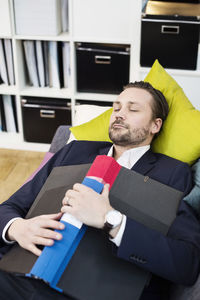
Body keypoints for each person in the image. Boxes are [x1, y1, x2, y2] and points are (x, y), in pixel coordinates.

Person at [0, 81, 199, 300]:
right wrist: (16, 227)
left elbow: (186, 262)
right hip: (22, 272)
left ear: (155, 125)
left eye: (133, 109)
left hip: (98, 290)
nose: (119, 114)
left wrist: (111, 220)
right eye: (116, 108)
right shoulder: (74, 150)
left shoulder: (173, 173)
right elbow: (10, 206)